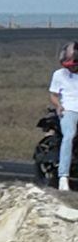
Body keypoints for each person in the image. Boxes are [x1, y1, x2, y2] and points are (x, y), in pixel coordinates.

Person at [48, 42, 78, 191]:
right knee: (69, 136)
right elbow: (53, 95)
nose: (71, 68)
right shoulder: (59, 74)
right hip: (69, 109)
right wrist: (59, 105)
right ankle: (63, 177)